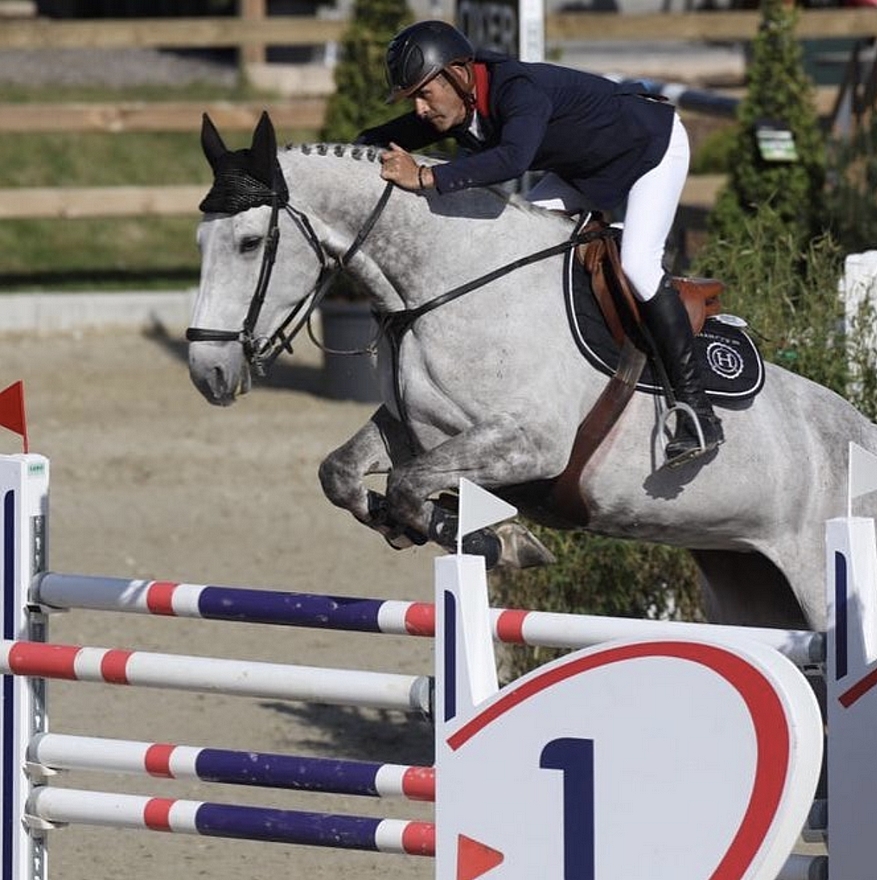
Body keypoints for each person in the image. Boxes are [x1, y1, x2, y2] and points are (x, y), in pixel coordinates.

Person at [356, 20, 723, 469]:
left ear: (457, 73)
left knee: (638, 266)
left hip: (650, 150)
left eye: (423, 93)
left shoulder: (518, 89)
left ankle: (698, 413)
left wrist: (427, 176)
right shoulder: (459, 98)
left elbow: (513, 159)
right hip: (587, 170)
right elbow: (382, 137)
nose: (418, 108)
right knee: (513, 244)